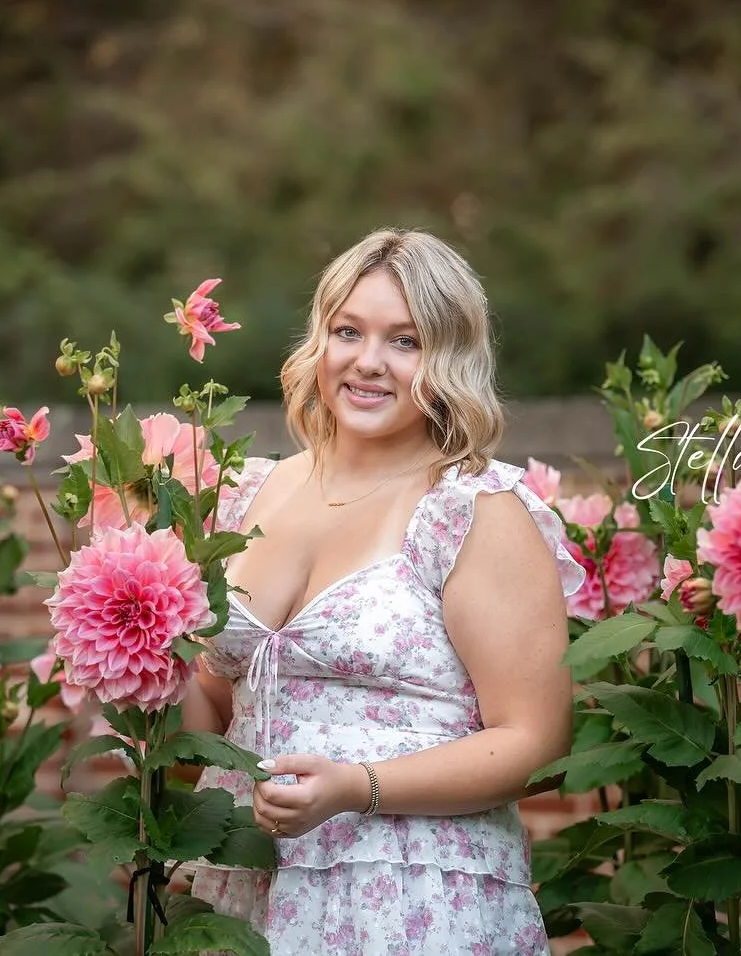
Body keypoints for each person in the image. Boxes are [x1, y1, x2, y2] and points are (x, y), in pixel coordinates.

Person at [183, 228, 583, 955]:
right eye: (348, 331)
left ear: (450, 358)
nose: (368, 362)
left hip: (410, 899)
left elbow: (536, 739)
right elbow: (217, 703)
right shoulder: (255, 490)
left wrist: (355, 784)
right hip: (252, 889)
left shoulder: (470, 511)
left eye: (406, 341)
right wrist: (130, 643)